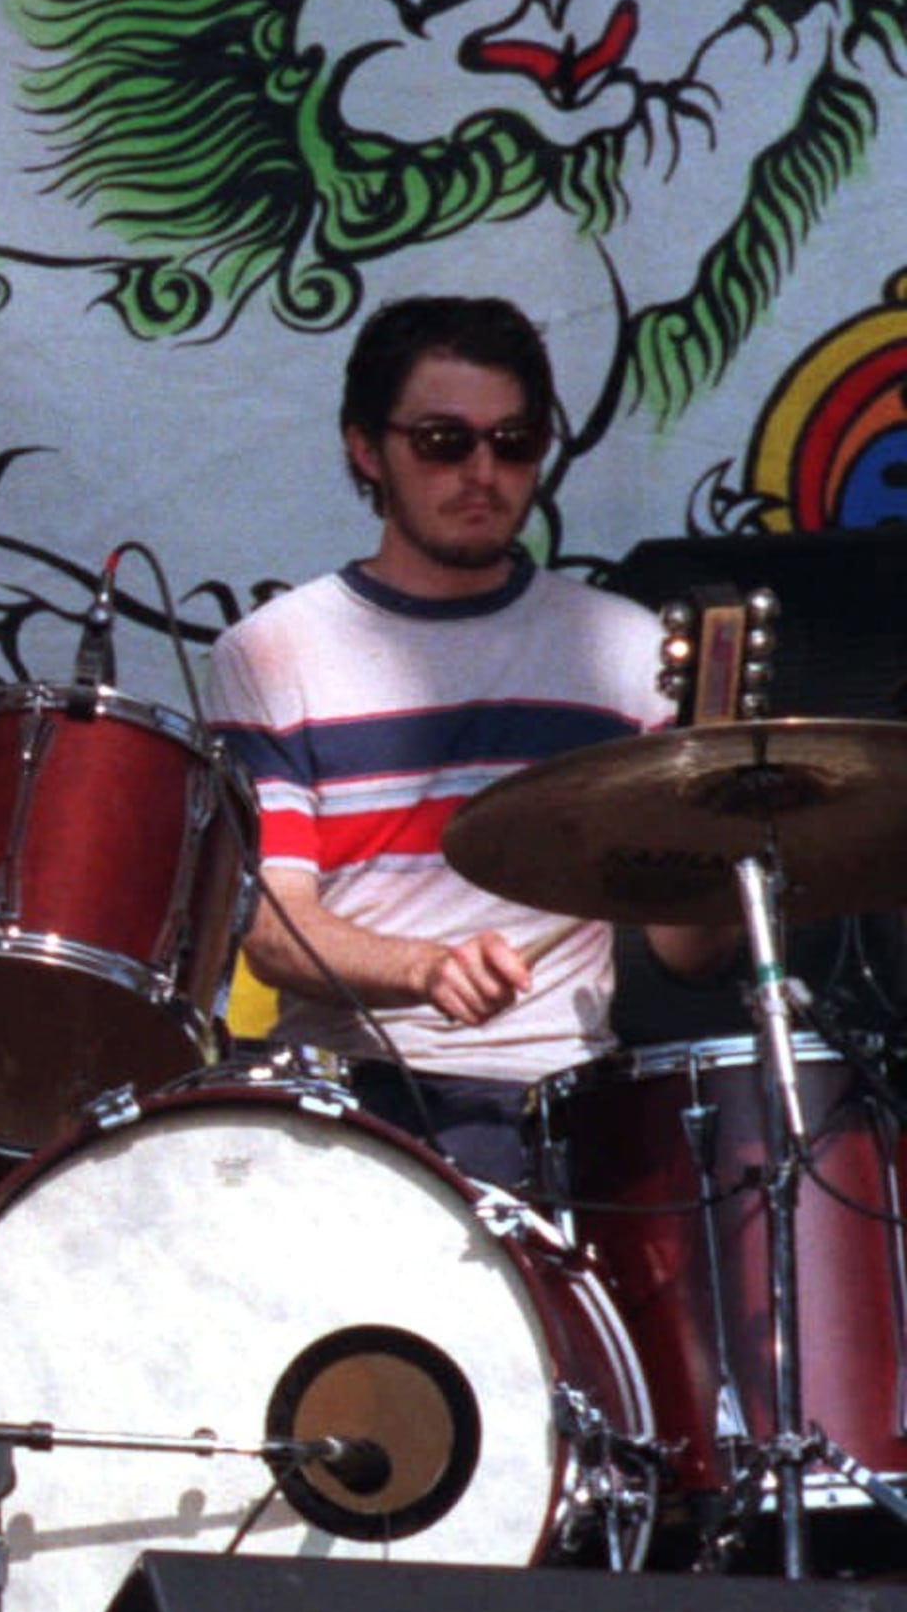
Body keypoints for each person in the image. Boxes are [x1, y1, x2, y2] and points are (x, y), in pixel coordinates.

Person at [206, 295, 714, 1188]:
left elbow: (684, 948)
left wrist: (729, 816)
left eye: (513, 443)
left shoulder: (627, 650)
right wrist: (425, 968)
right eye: (444, 442)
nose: (483, 471)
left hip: (564, 1101)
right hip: (353, 1110)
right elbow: (271, 930)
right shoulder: (275, 650)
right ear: (367, 449)